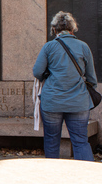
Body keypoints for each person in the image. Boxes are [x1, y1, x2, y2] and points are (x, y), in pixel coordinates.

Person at [32, 11, 97, 161]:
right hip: (79, 102)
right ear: (72, 30)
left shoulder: (49, 47)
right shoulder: (83, 46)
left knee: (51, 141)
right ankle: (88, 179)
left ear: (54, 30)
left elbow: (37, 72)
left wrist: (48, 77)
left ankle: (53, 178)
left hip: (52, 102)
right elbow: (92, 78)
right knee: (81, 142)